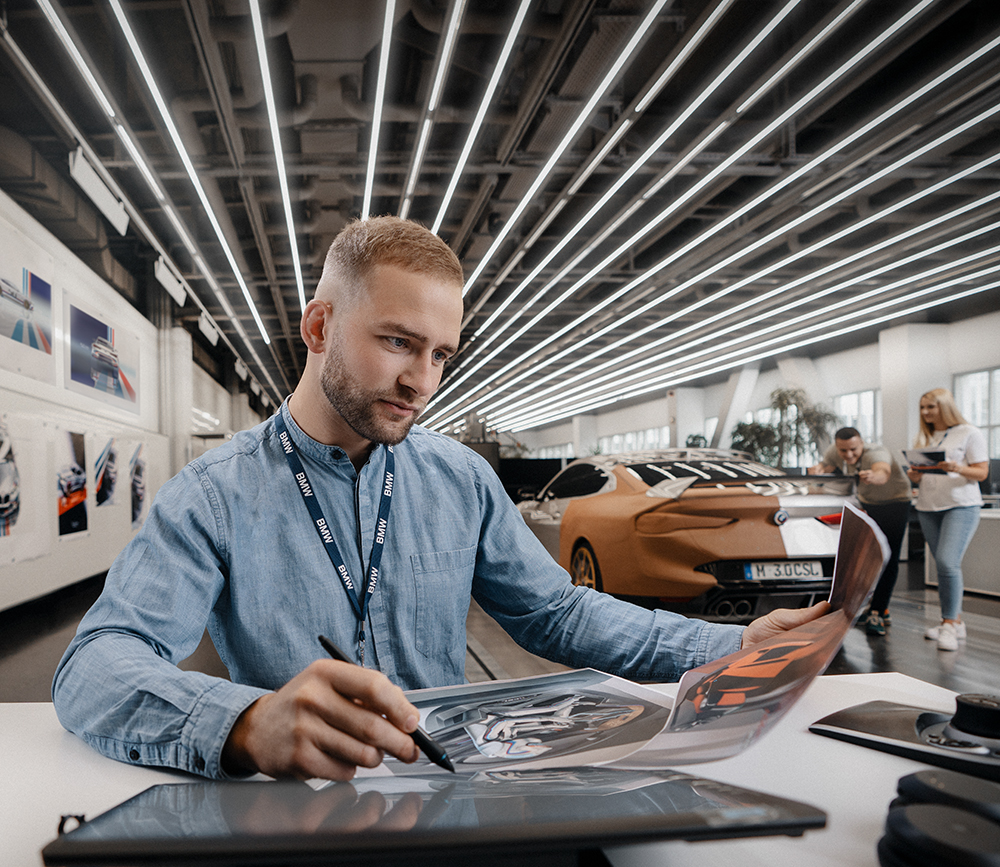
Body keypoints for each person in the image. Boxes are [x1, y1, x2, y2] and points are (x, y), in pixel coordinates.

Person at [53, 216, 827, 783]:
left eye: (440, 354)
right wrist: (247, 723)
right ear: (319, 326)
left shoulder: (458, 478)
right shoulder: (215, 497)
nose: (422, 381)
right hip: (299, 808)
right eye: (397, 342)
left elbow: (554, 614)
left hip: (452, 790)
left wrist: (732, 647)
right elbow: (96, 665)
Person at [905, 388, 988, 651]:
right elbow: (919, 475)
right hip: (928, 506)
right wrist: (915, 475)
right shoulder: (925, 437)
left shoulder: (969, 432)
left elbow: (981, 473)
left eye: (931, 407)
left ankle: (949, 624)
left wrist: (957, 467)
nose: (926, 413)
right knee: (943, 567)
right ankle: (954, 622)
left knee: (947, 561)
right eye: (922, 408)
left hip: (960, 506)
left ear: (945, 406)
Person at [808, 427, 912, 637]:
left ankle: (877, 612)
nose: (848, 455)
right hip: (866, 504)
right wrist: (819, 469)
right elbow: (826, 465)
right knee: (864, 557)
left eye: (853, 450)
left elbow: (883, 472)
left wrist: (875, 475)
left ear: (862, 443)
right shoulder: (835, 451)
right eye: (843, 450)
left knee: (887, 557)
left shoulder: (876, 452)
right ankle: (876, 606)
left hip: (895, 503)